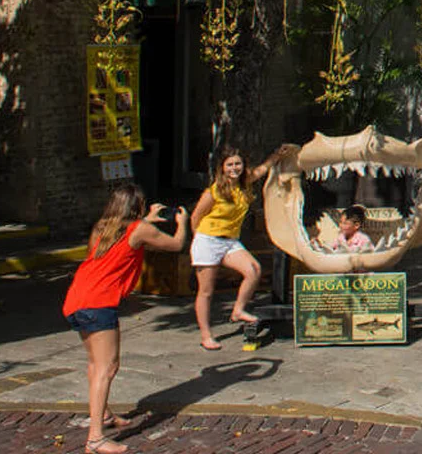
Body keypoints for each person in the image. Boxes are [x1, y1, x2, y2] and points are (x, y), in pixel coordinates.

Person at [62, 184, 188, 454]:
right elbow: (176, 244)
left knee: (96, 363)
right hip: (99, 302)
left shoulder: (102, 226)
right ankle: (95, 439)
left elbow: (121, 240)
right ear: (139, 207)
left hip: (77, 297)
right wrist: (182, 222)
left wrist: (146, 219)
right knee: (108, 367)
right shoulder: (140, 229)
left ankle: (104, 416)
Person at [189, 143, 293, 350]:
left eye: (237, 164)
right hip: (208, 239)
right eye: (230, 165)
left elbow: (264, 168)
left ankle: (238, 309)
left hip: (229, 240)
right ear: (222, 168)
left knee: (253, 269)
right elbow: (196, 217)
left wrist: (277, 154)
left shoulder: (245, 183)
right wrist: (199, 241)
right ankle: (206, 335)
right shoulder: (214, 191)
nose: (234, 168)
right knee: (206, 291)